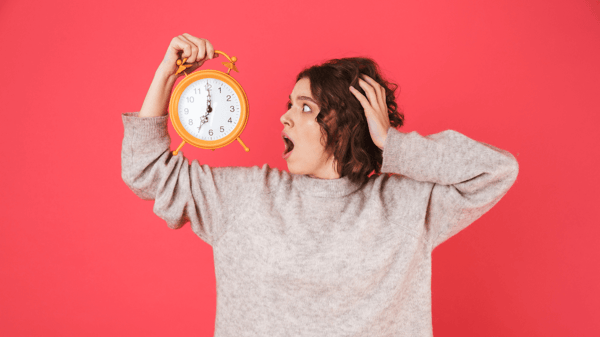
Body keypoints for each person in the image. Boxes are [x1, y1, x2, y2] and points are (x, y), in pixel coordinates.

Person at [121, 33, 519, 336]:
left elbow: (496, 170)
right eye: (289, 105)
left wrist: (391, 143)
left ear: (346, 124)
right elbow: (145, 169)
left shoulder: (406, 205)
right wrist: (167, 75)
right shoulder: (243, 197)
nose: (285, 118)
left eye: (306, 107)